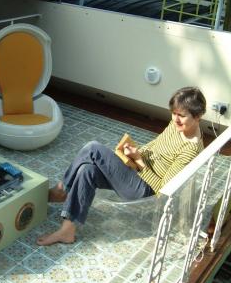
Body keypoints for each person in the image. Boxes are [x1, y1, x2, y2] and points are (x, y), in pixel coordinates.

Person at [37, 87, 206, 246]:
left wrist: (139, 162)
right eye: (174, 113)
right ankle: (67, 231)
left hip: (144, 189)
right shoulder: (177, 127)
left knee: (93, 148)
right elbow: (154, 146)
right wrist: (135, 152)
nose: (175, 119)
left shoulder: (190, 149)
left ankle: (61, 190)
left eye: (181, 116)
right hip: (135, 172)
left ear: (198, 116)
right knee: (86, 170)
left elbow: (164, 190)